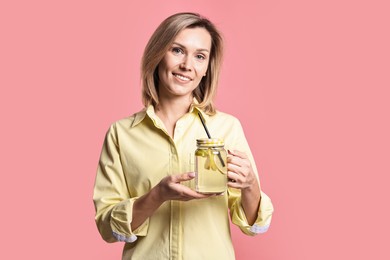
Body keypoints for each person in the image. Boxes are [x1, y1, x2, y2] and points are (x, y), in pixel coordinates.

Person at [93, 12, 274, 260]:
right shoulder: (122, 134)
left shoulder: (226, 128)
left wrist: (250, 184)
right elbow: (107, 227)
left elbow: (253, 225)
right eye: (177, 50)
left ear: (206, 69)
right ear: (158, 55)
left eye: (200, 56)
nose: (187, 65)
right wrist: (157, 196)